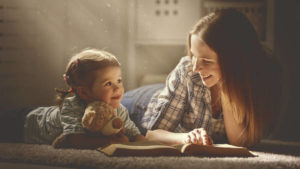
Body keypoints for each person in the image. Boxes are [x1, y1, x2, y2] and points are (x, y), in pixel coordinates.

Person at [121, 9, 281, 147]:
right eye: (194, 55)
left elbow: (240, 142)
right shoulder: (188, 70)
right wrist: (185, 138)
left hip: (171, 92)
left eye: (207, 61)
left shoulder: (258, 80)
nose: (197, 67)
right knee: (104, 112)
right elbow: (152, 135)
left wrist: (227, 84)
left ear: (235, 62)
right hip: (140, 105)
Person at [0, 49, 146, 149]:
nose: (117, 88)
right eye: (108, 83)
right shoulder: (73, 106)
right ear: (84, 92)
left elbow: (133, 133)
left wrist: (146, 144)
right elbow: (76, 140)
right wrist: (110, 142)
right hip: (24, 123)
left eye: (119, 81)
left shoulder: (119, 110)